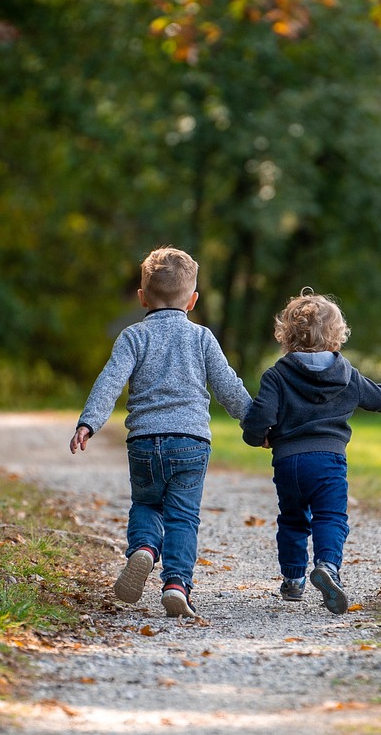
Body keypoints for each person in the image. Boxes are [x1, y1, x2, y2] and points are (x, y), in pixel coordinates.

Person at [70, 246, 252, 617]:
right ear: (193, 300)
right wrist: (256, 422)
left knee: (147, 503)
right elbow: (227, 386)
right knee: (183, 517)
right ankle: (176, 584)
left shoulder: (133, 337)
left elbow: (109, 382)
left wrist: (88, 422)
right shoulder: (202, 338)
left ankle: (144, 549)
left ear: (141, 298)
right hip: (190, 443)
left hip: (143, 442)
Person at [241, 289, 381, 615]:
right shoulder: (347, 375)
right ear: (336, 337)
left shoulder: (277, 375)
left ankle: (293, 579)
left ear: (286, 336)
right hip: (329, 463)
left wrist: (258, 438)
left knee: (292, 520)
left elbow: (260, 418)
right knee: (330, 517)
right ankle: (327, 566)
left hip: (288, 464)